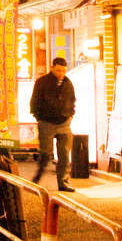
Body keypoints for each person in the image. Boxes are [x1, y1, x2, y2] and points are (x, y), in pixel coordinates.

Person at [29, 57, 76, 193]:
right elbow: (35, 100)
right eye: (58, 70)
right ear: (52, 68)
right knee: (46, 153)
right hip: (46, 121)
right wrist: (38, 117)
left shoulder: (68, 83)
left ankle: (63, 182)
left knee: (64, 154)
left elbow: (72, 100)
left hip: (64, 122)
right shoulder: (42, 82)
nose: (61, 73)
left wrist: (71, 114)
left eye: (63, 71)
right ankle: (37, 179)